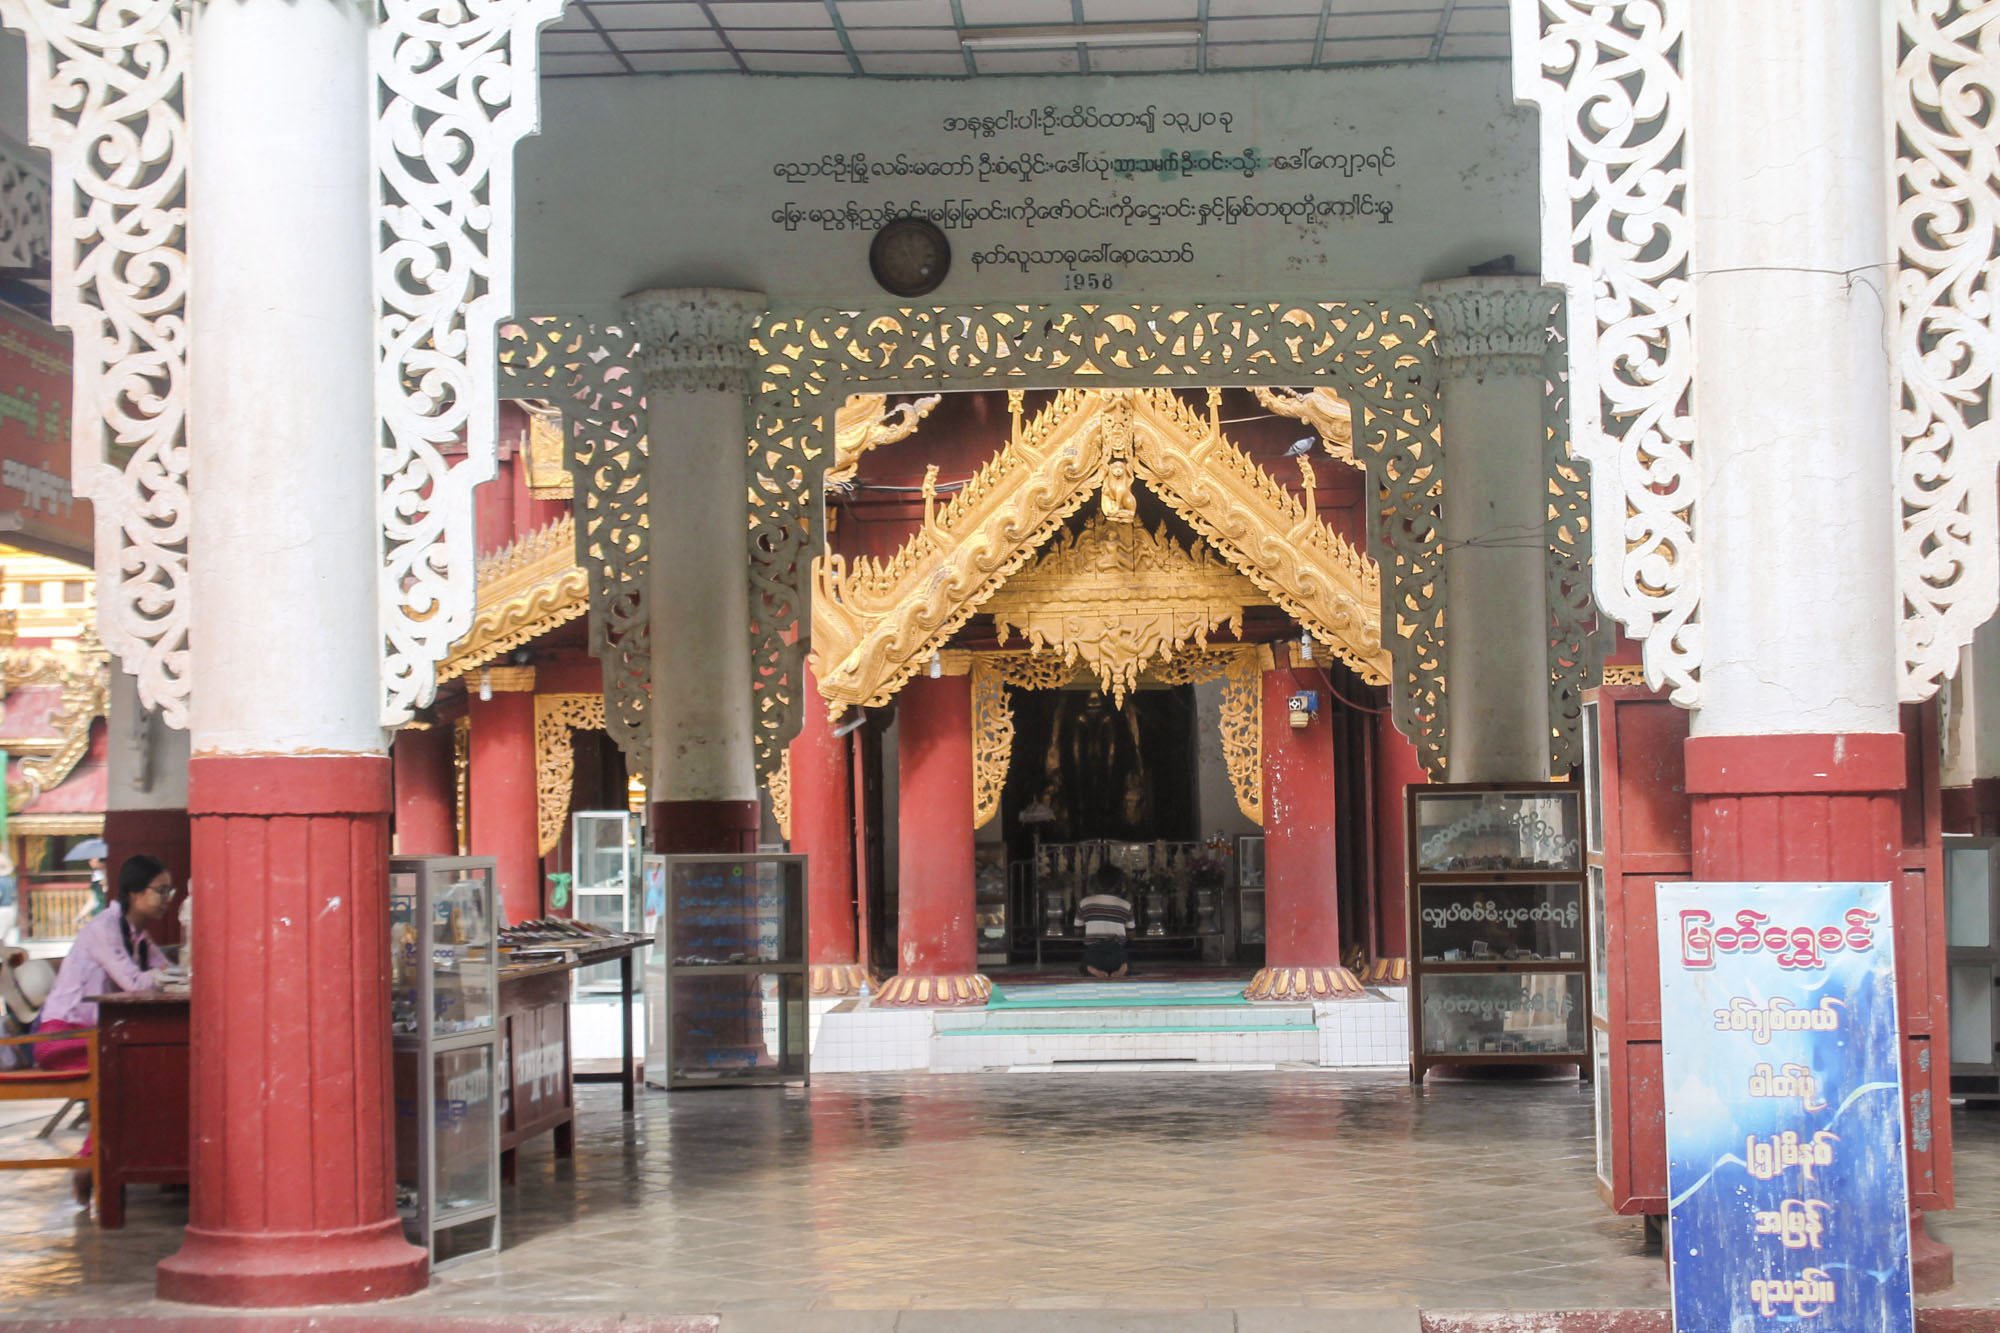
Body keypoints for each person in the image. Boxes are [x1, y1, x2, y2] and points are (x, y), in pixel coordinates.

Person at [36, 854, 173, 1206]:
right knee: (130, 1069)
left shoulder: (139, 936)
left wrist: (169, 975)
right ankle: (90, 1164)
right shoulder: (103, 929)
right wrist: (164, 977)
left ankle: (121, 1162)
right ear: (135, 893)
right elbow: (134, 982)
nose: (168, 898)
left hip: (92, 1039)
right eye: (162, 890)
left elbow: (165, 971)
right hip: (60, 1037)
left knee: (142, 1067)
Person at [1074, 862, 1136, 979]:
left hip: (1094, 953)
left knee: (1083, 966)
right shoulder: (1126, 905)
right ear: (1118, 883)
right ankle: (1123, 968)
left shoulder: (1084, 903)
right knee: (1127, 963)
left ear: (1096, 882)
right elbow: (1131, 935)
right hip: (1117, 953)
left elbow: (1078, 932)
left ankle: (1091, 969)